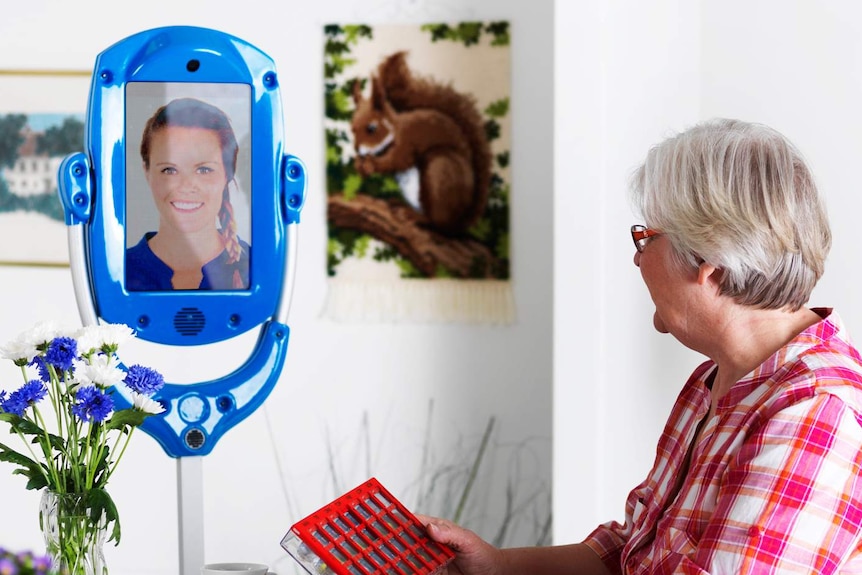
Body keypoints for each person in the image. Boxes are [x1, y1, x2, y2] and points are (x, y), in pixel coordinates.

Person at [421, 119, 862, 573]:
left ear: (708, 264)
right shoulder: (714, 380)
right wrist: (498, 566)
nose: (637, 257)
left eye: (646, 238)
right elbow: (635, 549)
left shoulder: (813, 410)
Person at [126, 97, 250, 291]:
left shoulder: (256, 270)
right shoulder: (118, 272)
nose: (186, 186)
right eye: (169, 169)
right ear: (147, 172)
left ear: (228, 173)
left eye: (204, 170)